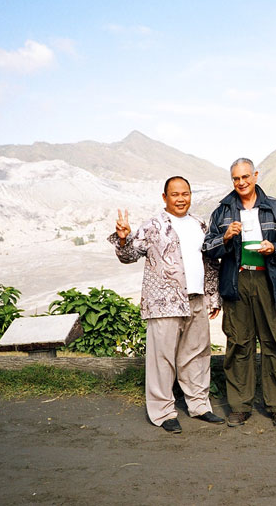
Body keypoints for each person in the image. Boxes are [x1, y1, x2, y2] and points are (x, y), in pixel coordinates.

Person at [108, 176, 225, 433]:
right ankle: (163, 412)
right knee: (162, 359)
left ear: (190, 195)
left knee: (197, 355)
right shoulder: (152, 226)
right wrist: (124, 238)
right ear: (165, 197)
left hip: (196, 300)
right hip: (164, 303)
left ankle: (199, 405)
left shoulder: (200, 224)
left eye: (185, 193)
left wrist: (213, 297)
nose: (181, 199)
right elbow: (128, 257)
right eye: (175, 194)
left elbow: (211, 264)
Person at [203, 158, 276, 428]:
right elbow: (208, 248)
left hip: (268, 280)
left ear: (255, 175)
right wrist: (224, 238)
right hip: (237, 280)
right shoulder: (222, 211)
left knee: (273, 342)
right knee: (238, 343)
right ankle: (239, 406)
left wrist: (274, 249)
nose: (241, 183)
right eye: (236, 179)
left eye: (246, 177)